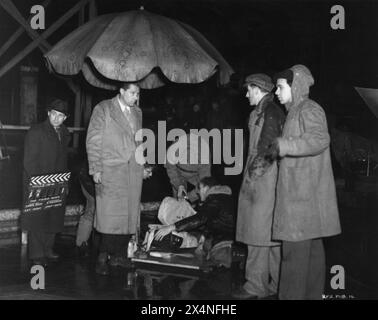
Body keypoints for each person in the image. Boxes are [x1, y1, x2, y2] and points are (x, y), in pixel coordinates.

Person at [268, 64, 341, 299]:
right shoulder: (296, 112)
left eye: (280, 87)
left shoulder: (308, 109)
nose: (276, 93)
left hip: (301, 204)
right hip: (306, 203)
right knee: (311, 264)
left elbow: (320, 139)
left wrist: (285, 145)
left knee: (293, 266)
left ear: (295, 85)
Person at [86, 83, 151, 275]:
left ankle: (119, 256)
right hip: (111, 170)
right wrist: (95, 168)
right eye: (132, 93)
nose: (136, 97)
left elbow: (138, 141)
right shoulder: (103, 108)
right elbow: (93, 140)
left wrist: (143, 165)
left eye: (138, 93)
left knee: (129, 216)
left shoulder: (137, 112)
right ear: (121, 92)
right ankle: (102, 257)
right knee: (109, 217)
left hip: (133, 171)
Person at [232, 74, 285, 299]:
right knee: (271, 236)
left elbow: (268, 151)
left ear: (258, 89)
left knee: (257, 233)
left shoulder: (270, 113)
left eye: (249, 90)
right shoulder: (260, 112)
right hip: (262, 175)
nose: (246, 94)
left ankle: (255, 286)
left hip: (263, 177)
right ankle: (276, 285)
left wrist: (252, 179)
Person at [21, 99, 70, 266]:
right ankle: (37, 255)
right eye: (54, 114)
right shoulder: (36, 131)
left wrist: (64, 183)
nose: (57, 118)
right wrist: (38, 183)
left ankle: (48, 249)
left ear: (65, 118)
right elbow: (29, 161)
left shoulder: (65, 133)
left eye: (61, 116)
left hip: (57, 182)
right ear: (48, 113)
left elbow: (64, 159)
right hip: (38, 181)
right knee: (37, 218)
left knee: (54, 217)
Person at [154, 177, 235, 252]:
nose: (197, 192)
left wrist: (172, 227)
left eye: (199, 188)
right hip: (227, 239)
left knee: (218, 265)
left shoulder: (215, 200)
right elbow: (214, 220)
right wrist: (204, 237)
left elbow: (200, 218)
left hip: (224, 243)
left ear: (205, 188)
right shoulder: (223, 198)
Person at [165, 132, 211, 203]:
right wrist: (179, 186)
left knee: (203, 192)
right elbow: (171, 171)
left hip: (196, 175)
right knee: (177, 199)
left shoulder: (204, 156)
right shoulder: (173, 151)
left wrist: (189, 198)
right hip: (178, 172)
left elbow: (205, 181)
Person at [75, 159, 95, 257]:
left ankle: (81, 243)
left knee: (91, 210)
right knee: (92, 209)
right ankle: (81, 243)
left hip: (90, 173)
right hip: (90, 176)